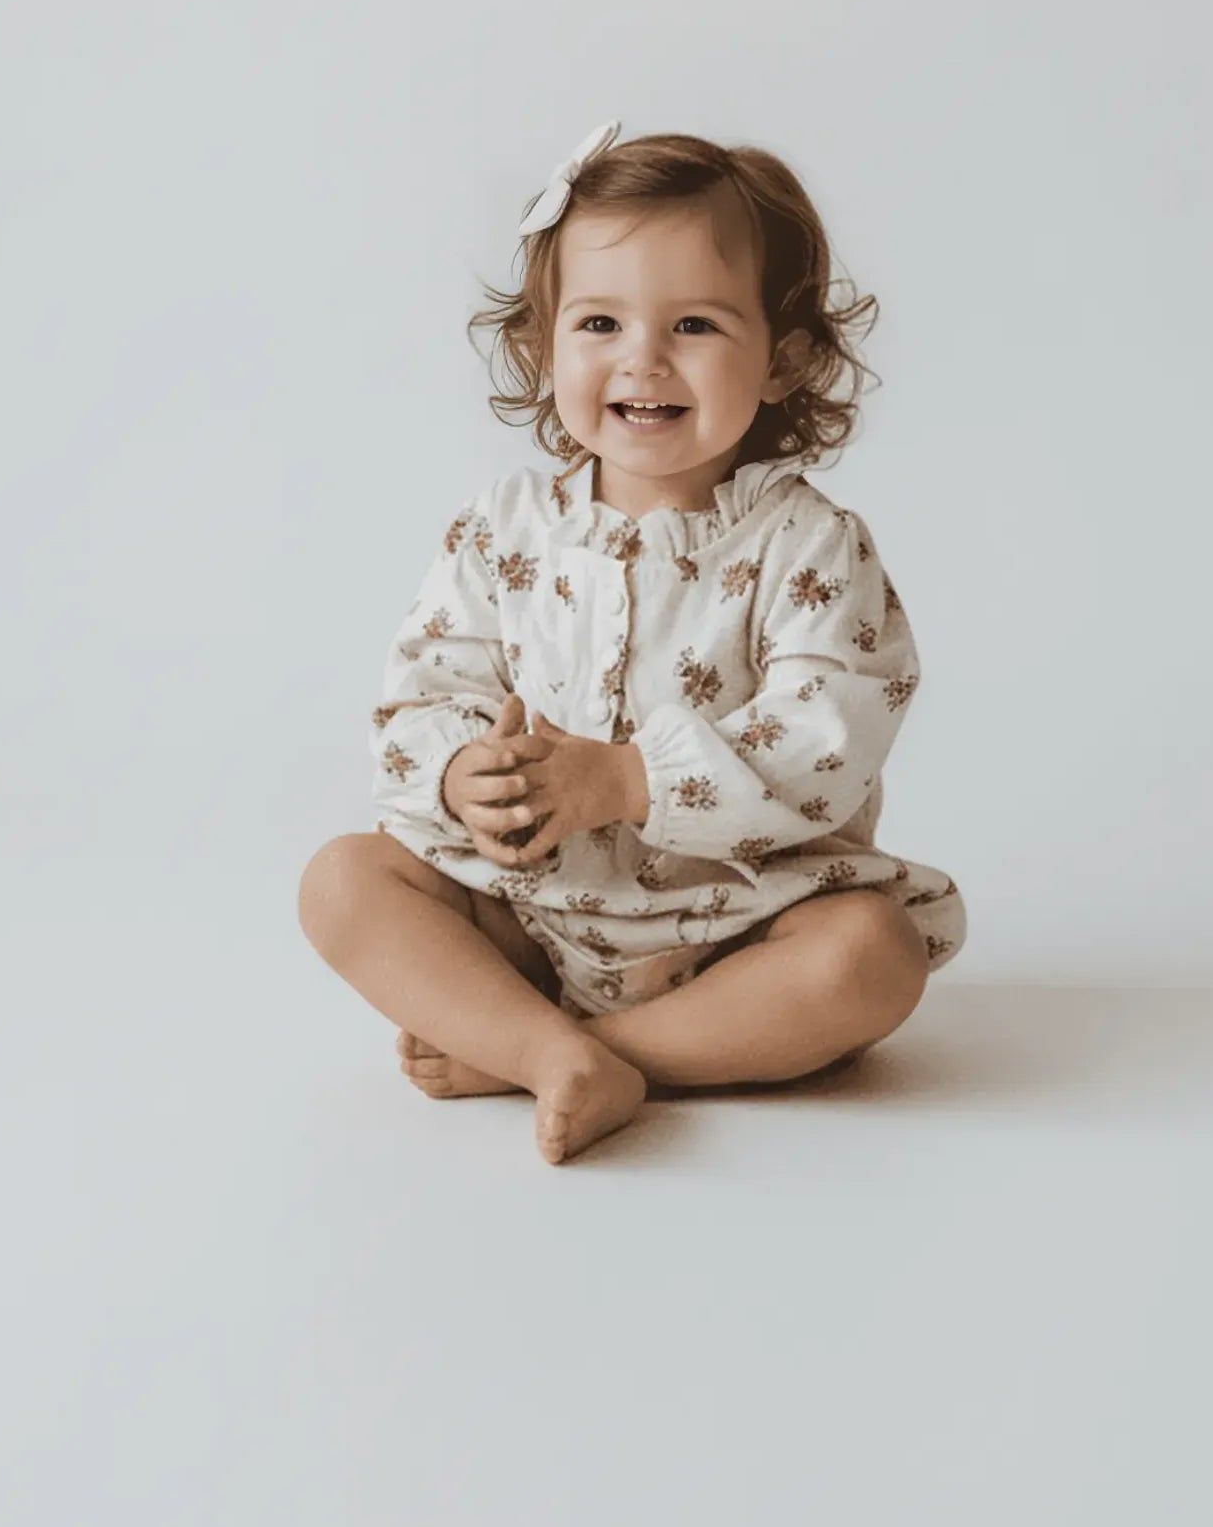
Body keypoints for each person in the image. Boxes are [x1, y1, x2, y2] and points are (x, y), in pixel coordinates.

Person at [297, 119, 968, 1165]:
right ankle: (542, 1031)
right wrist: (464, 775)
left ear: (785, 357)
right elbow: (421, 697)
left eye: (695, 324)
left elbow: (832, 735)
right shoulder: (502, 529)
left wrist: (625, 778)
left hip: (745, 926)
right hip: (530, 917)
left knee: (874, 959)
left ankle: (565, 1053)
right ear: (544, 343)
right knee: (341, 880)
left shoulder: (808, 544)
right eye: (600, 322)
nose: (642, 359)